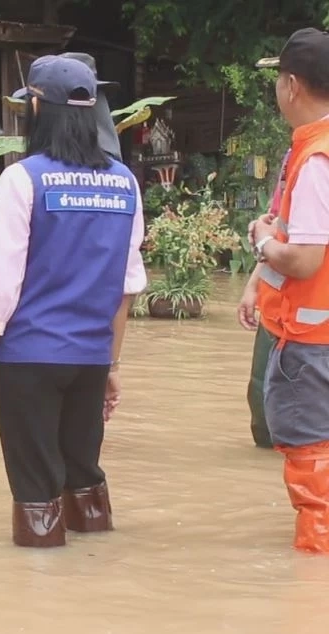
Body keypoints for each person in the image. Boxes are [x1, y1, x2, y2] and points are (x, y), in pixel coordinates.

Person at [0, 56, 146, 548]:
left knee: (37, 487)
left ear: (36, 106)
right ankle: (97, 569)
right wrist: (111, 363)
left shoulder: (23, 180)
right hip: (90, 358)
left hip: (29, 358)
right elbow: (126, 287)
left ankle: (41, 591)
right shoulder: (125, 183)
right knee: (84, 473)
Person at [248, 27, 329, 554]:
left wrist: (262, 243)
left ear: (292, 85)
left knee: (311, 459)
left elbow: (304, 257)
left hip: (311, 340)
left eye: (278, 78)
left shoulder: (315, 158)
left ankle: (314, 571)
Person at [239, 150, 290, 449]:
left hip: (313, 313)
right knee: (262, 401)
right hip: (276, 305)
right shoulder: (295, 156)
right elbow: (274, 230)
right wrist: (252, 287)